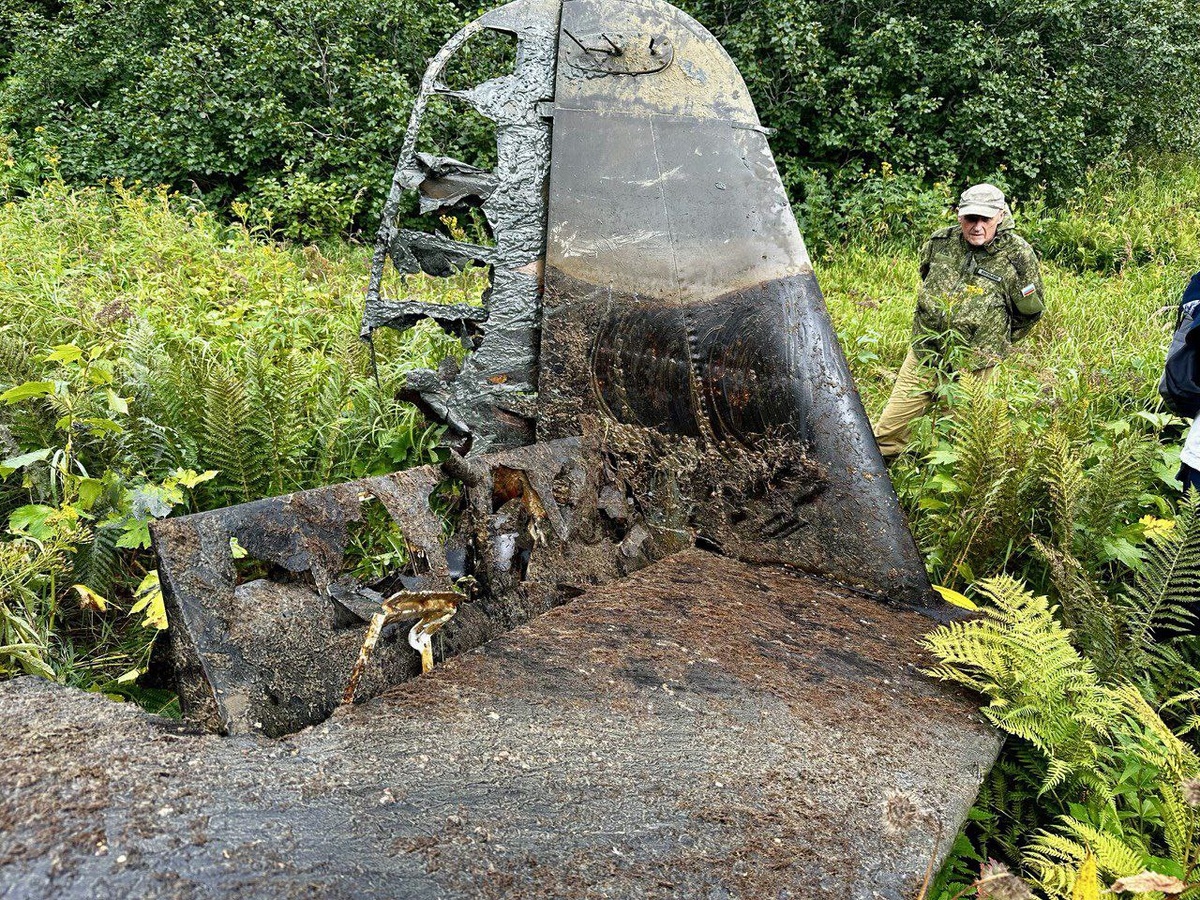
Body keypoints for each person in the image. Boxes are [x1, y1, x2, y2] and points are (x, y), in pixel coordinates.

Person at [872, 183, 1045, 460]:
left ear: (1000, 216)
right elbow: (926, 274)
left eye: (985, 219)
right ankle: (878, 482)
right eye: (970, 218)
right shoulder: (940, 243)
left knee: (955, 440)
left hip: (974, 364)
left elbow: (1029, 311)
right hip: (926, 351)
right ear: (958, 216)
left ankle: (942, 493)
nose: (977, 226)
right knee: (888, 432)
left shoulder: (1017, 256)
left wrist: (993, 340)